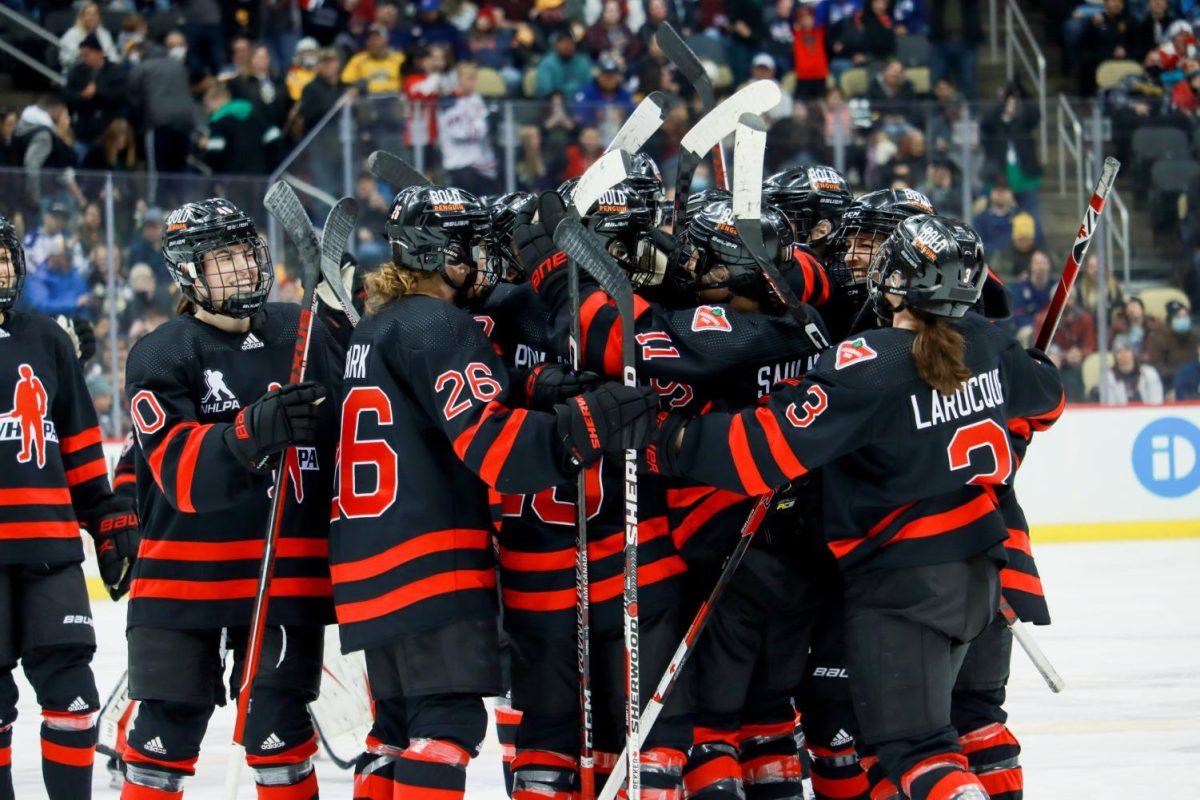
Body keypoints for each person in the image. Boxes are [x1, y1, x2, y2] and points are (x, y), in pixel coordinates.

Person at [649, 213, 1065, 800]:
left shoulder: (872, 364)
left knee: (915, 750)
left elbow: (758, 455)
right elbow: (1047, 402)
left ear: (898, 280)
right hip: (983, 579)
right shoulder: (990, 343)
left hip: (903, 586)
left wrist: (665, 439)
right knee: (968, 726)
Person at [329, 183, 657, 800]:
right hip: (430, 561)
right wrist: (588, 422)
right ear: (430, 255)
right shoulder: (440, 324)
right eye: (464, 248)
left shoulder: (376, 328)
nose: (478, 259)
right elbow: (496, 451)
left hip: (365, 565)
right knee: (446, 725)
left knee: (394, 729)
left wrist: (535, 385)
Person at [120, 199, 342, 799]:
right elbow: (179, 474)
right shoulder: (162, 353)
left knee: (281, 736)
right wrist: (252, 430)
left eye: (246, 253)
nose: (242, 268)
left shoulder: (303, 332)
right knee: (164, 735)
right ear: (188, 272)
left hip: (282, 585)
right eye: (223, 257)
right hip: (183, 587)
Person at [0, 214, 139, 800]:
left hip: (50, 548)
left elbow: (80, 445)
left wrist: (106, 518)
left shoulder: (47, 339)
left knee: (73, 693)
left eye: (4, 256)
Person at [126, 31, 197, 174]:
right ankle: (181, 198)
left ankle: (158, 198)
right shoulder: (178, 66)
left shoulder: (141, 68)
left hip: (159, 123)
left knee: (158, 173)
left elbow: (134, 102)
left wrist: (137, 128)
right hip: (185, 123)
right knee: (179, 171)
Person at [439, 62, 500, 196]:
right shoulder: (448, 102)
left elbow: (483, 127)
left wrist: (483, 124)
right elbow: (461, 132)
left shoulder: (476, 99)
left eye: (474, 78)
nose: (473, 83)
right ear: (458, 79)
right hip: (458, 164)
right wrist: (482, 124)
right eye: (469, 78)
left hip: (480, 164)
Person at [64, 34, 127, 149]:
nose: (84, 58)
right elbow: (68, 96)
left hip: (109, 130)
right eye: (82, 55)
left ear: (99, 53)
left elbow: (121, 95)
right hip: (84, 129)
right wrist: (83, 96)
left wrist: (98, 92)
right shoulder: (76, 72)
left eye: (87, 55)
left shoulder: (116, 71)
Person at [929, 0, 983, 98]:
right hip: (941, 42)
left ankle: (971, 112)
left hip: (966, 43)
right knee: (936, 81)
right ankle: (935, 112)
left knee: (968, 82)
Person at [1143, 300, 1199, 389]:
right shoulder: (1159, 339)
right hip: (1167, 383)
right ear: (1170, 320)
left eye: (1185, 316)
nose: (1183, 320)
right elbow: (1157, 368)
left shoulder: (1194, 338)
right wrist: (1181, 372)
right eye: (1178, 317)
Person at [341, 23, 405, 95]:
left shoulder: (400, 59)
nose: (372, 41)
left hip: (394, 100)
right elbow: (347, 82)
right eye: (369, 37)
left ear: (386, 39)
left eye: (376, 37)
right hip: (366, 101)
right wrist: (353, 89)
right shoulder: (357, 60)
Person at [1101, 333, 1164, 403]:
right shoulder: (1108, 378)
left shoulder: (1149, 373)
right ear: (1115, 356)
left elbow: (1156, 402)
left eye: (1127, 350)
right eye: (1118, 351)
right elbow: (1109, 406)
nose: (1123, 354)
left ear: (1133, 352)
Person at [59, 2, 119, 71]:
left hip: (102, 73)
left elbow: (113, 56)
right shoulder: (72, 34)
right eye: (88, 14)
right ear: (82, 17)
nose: (92, 17)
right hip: (77, 73)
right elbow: (66, 60)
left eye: (95, 14)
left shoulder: (104, 33)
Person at [535, 31, 595, 99]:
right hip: (553, 102)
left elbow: (588, 85)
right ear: (556, 45)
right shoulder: (547, 63)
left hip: (580, 102)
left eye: (570, 42)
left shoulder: (583, 62)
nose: (567, 46)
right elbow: (546, 89)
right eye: (563, 43)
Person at [1010, 251, 1053, 333]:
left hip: (1052, 329)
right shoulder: (1021, 288)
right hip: (1029, 329)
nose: (1040, 267)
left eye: (1043, 263)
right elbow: (1018, 315)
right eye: (1036, 263)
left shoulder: (1055, 287)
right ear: (1031, 266)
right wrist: (1037, 326)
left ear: (1049, 266)